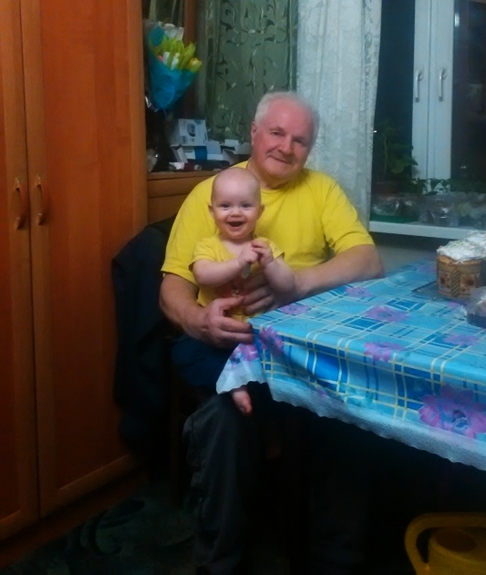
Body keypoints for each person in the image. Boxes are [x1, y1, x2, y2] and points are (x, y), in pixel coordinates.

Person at [160, 91, 384, 575]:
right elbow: (172, 286)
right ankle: (220, 561)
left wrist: (298, 285)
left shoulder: (321, 190)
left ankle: (335, 560)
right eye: (277, 133)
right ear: (254, 133)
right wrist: (199, 320)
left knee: (350, 407)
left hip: (301, 347)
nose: (287, 146)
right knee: (225, 418)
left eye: (300, 140)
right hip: (232, 345)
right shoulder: (210, 192)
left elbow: (368, 259)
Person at [191, 165, 295, 415]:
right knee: (191, 352)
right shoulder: (207, 246)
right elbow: (203, 275)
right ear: (212, 211)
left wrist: (270, 264)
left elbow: (288, 285)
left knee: (282, 357)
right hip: (218, 336)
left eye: (245, 206)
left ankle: (247, 382)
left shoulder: (264, 246)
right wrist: (238, 263)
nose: (235, 212)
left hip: (254, 335)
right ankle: (234, 384)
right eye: (225, 206)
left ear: (260, 211)